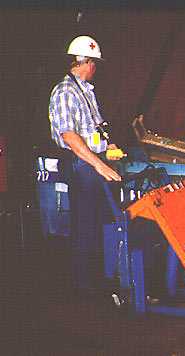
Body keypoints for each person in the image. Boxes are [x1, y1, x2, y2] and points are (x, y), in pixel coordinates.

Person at [48, 35, 122, 297]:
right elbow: (70, 136)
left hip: (92, 160)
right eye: (94, 63)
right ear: (84, 62)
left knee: (102, 219)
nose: (96, 69)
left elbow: (93, 129)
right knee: (86, 223)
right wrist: (98, 165)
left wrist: (107, 148)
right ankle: (85, 285)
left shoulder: (85, 91)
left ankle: (103, 275)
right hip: (80, 164)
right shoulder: (65, 92)